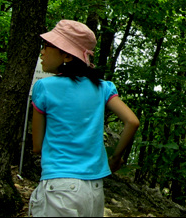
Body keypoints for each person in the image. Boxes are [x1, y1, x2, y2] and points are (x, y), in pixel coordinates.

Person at [29, 20, 140, 217]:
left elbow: (37, 146)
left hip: (59, 187)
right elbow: (132, 121)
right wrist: (114, 158)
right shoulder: (102, 88)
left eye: (47, 47)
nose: (42, 53)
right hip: (94, 189)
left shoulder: (44, 87)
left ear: (67, 56)